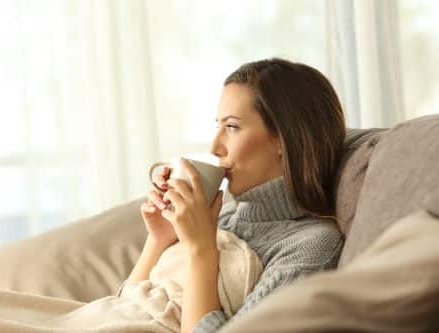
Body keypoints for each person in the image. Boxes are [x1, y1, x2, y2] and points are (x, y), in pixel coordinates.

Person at [125, 58, 346, 333]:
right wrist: (161, 238)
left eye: (232, 127)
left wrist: (201, 251)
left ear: (284, 139)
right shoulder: (226, 214)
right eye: (218, 126)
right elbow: (124, 308)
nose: (215, 146)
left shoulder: (312, 248)